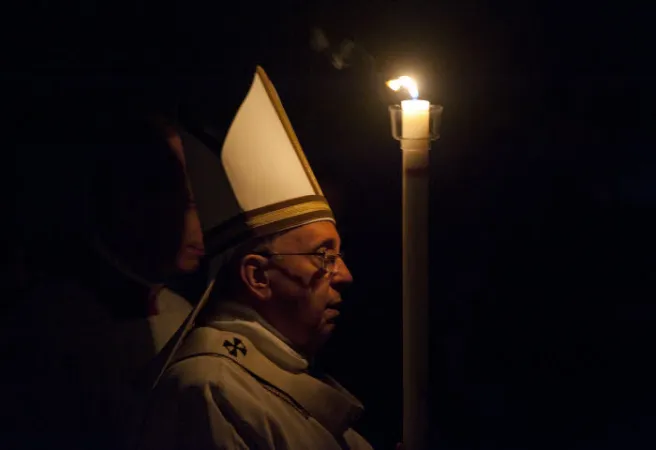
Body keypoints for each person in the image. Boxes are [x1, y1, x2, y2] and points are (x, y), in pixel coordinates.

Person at [139, 66, 372, 450]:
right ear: (258, 276)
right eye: (323, 255)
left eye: (338, 254)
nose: (344, 274)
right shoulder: (210, 390)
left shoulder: (275, 379)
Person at [1, 100, 204, 450]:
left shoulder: (184, 313)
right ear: (126, 201)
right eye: (176, 192)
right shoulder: (48, 328)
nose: (192, 205)